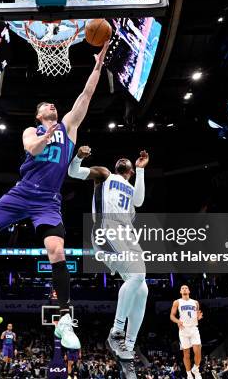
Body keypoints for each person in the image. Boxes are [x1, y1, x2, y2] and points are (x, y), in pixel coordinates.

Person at [0, 42, 110, 351]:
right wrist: (46, 134)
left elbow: (85, 95)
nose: (53, 108)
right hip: (21, 193)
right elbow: (33, 149)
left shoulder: (69, 127)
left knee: (57, 252)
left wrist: (98, 66)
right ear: (38, 114)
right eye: (48, 107)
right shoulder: (31, 132)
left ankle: (64, 321)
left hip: (48, 201)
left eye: (55, 107)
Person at [67, 146, 148, 378]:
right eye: (121, 159)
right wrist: (79, 156)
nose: (123, 158)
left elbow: (139, 201)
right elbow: (74, 172)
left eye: (129, 163)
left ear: (131, 171)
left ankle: (128, 350)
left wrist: (141, 171)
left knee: (142, 289)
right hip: (106, 228)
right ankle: (116, 332)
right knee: (137, 276)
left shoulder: (132, 186)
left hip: (127, 234)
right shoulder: (104, 174)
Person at [170, 285, 203, 379]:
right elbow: (172, 316)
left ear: (189, 291)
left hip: (193, 328)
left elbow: (196, 315)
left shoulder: (195, 302)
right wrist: (178, 321)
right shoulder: (177, 302)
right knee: (186, 353)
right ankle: (189, 374)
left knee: (198, 351)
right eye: (182, 288)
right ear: (180, 291)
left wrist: (198, 318)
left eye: (186, 288)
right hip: (183, 329)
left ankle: (196, 369)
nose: (184, 289)